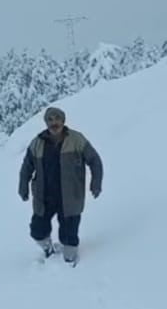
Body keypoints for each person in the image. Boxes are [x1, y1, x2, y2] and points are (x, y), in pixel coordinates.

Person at [18, 106, 103, 265]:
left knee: (69, 236)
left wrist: (96, 183)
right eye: (50, 119)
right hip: (44, 197)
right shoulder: (37, 143)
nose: (54, 122)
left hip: (70, 197)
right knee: (37, 230)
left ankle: (70, 261)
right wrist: (23, 186)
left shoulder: (76, 140)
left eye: (57, 119)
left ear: (63, 121)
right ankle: (48, 248)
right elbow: (26, 167)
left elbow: (94, 160)